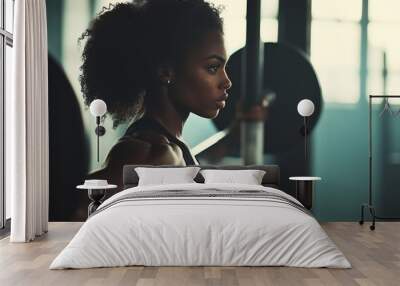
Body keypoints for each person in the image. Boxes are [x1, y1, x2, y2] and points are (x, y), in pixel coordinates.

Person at [80, 0, 232, 192]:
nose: (227, 81)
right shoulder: (150, 151)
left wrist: (233, 135)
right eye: (212, 68)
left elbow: (189, 166)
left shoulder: (169, 145)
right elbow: (78, 208)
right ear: (165, 71)